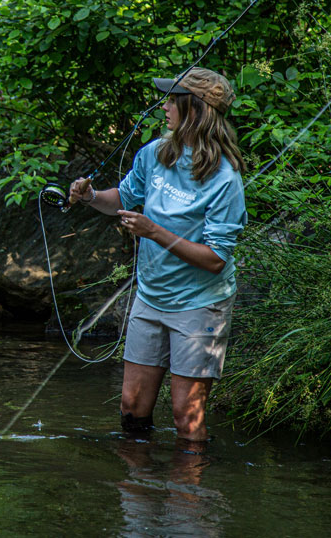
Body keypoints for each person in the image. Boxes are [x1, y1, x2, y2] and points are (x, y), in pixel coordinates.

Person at [69, 67, 246, 444]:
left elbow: (216, 257)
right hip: (151, 297)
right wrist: (91, 197)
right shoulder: (155, 153)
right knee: (132, 405)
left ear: (194, 110)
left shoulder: (225, 179)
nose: (163, 106)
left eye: (171, 100)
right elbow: (124, 197)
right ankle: (140, 488)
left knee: (186, 417)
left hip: (200, 304)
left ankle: (188, 497)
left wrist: (154, 231)